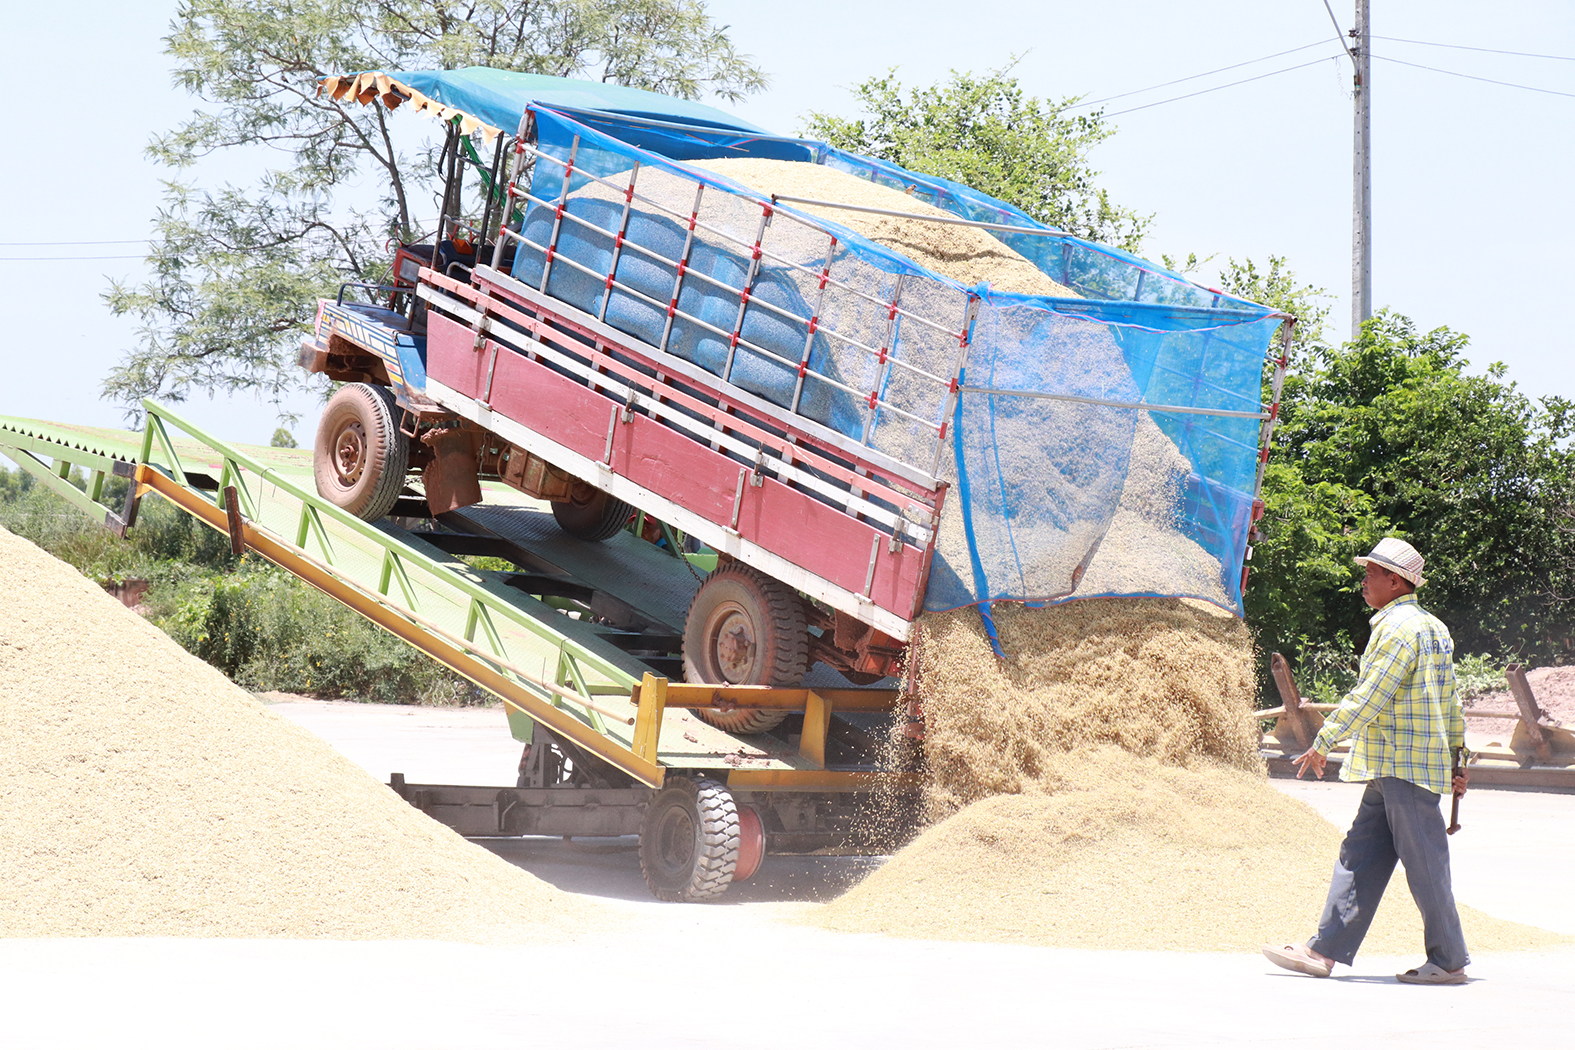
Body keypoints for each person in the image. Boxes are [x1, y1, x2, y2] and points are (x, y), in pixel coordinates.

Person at [1262, 537, 1471, 985]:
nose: (1364, 582)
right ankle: (1324, 952)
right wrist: (1458, 758)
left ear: (1395, 581)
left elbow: (1372, 693)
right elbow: (1451, 701)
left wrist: (1326, 739)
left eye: (1371, 573)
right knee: (1360, 854)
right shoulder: (1434, 628)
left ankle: (1450, 960)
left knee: (1425, 864)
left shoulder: (1397, 631)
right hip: (1393, 764)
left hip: (1403, 765)